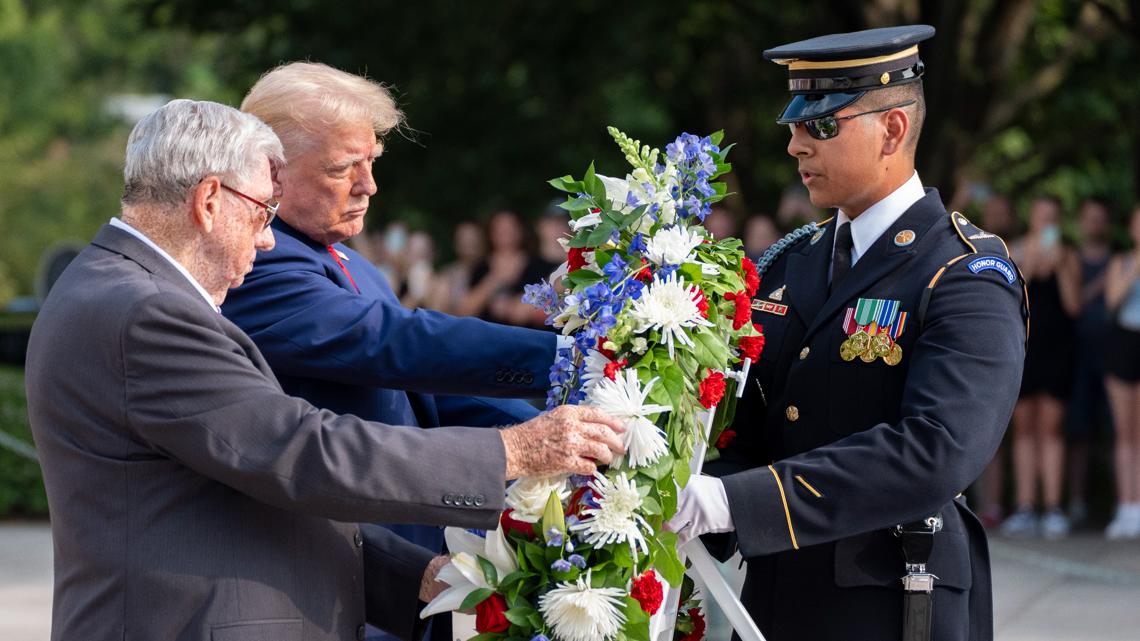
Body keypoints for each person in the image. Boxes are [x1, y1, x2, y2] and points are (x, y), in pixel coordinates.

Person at [23, 99, 625, 641]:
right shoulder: (147, 312)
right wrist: (512, 453)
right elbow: (302, 452)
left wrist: (416, 575)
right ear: (209, 201)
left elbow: (239, 486)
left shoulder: (125, 292)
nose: (266, 243)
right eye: (263, 213)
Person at [667, 26, 1028, 641]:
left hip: (892, 602)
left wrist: (735, 504)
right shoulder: (789, 264)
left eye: (822, 126)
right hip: (777, 599)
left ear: (891, 130)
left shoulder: (964, 273)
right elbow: (748, 425)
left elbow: (936, 448)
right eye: (794, 127)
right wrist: (662, 484)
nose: (796, 147)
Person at [220, 63, 571, 641]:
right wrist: (567, 359)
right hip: (337, 581)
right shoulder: (261, 265)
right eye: (343, 168)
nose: (368, 185)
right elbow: (398, 343)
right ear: (270, 172)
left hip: (403, 569)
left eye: (372, 162)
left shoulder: (345, 259)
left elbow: (430, 399)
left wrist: (566, 431)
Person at [1003, 196, 1081, 539]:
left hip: (1056, 349)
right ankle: (1024, 506)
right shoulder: (1012, 250)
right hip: (1023, 349)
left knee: (1051, 428)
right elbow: (1012, 301)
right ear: (1031, 218)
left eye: (1052, 217)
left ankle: (1052, 506)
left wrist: (1062, 266)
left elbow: (1074, 306)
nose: (1046, 222)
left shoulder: (1068, 255)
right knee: (1023, 429)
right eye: (1041, 216)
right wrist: (1031, 263)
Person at [1066, 197, 1114, 527]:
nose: (1095, 224)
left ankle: (1120, 503)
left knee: (1116, 431)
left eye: (1101, 219)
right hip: (1077, 354)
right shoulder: (1072, 259)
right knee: (1077, 431)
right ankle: (1076, 502)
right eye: (1089, 218)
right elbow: (1076, 302)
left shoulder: (1118, 259)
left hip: (1115, 354)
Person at [1102, 204, 1140, 539]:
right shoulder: (1121, 262)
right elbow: (1111, 301)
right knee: (1124, 432)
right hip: (1124, 343)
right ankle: (1126, 504)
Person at [428, 221, 486, 313]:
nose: (469, 244)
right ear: (456, 244)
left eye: (473, 239)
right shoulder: (447, 273)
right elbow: (436, 310)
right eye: (464, 239)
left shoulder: (492, 269)